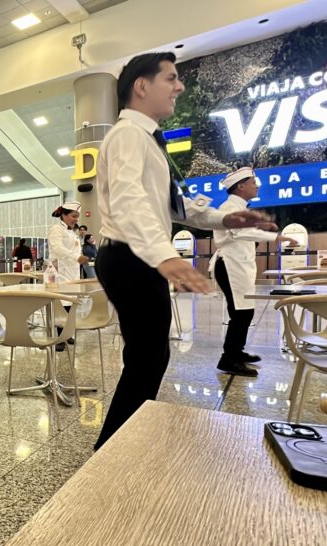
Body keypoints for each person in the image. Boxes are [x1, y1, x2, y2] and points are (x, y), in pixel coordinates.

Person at [93, 52, 276, 450]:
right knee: (147, 358)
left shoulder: (147, 140)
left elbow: (173, 206)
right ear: (142, 86)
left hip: (134, 256)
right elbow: (128, 201)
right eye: (171, 78)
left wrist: (225, 220)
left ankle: (120, 444)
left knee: (149, 357)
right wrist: (165, 256)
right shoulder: (127, 135)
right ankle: (113, 450)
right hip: (130, 257)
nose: (179, 87)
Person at [212, 167, 297, 377]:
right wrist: (275, 237)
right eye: (253, 182)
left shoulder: (239, 207)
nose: (257, 185)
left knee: (244, 311)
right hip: (230, 266)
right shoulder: (229, 206)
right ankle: (228, 359)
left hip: (238, 266)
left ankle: (236, 352)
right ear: (240, 186)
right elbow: (240, 231)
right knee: (240, 312)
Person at [47, 201, 89, 350]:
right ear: (64, 215)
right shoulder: (56, 229)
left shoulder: (71, 232)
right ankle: (59, 338)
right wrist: (76, 258)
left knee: (70, 305)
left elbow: (75, 250)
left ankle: (67, 334)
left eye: (77, 216)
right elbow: (57, 248)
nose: (76, 219)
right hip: (60, 273)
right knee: (61, 305)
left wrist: (79, 258)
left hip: (73, 273)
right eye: (73, 216)